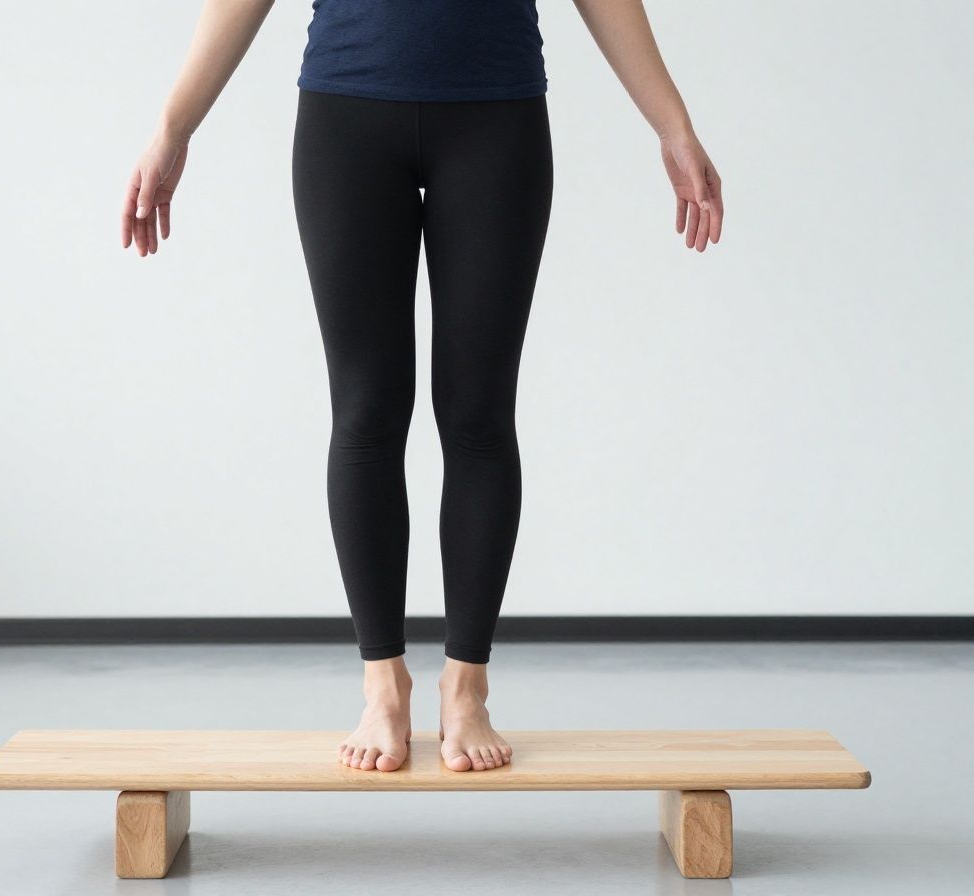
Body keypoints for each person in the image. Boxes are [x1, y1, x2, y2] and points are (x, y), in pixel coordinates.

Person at [120, 0, 724, 774]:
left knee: (477, 414)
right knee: (366, 413)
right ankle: (384, 686)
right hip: (346, 115)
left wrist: (672, 124)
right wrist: (174, 126)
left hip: (496, 118)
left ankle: (466, 688)